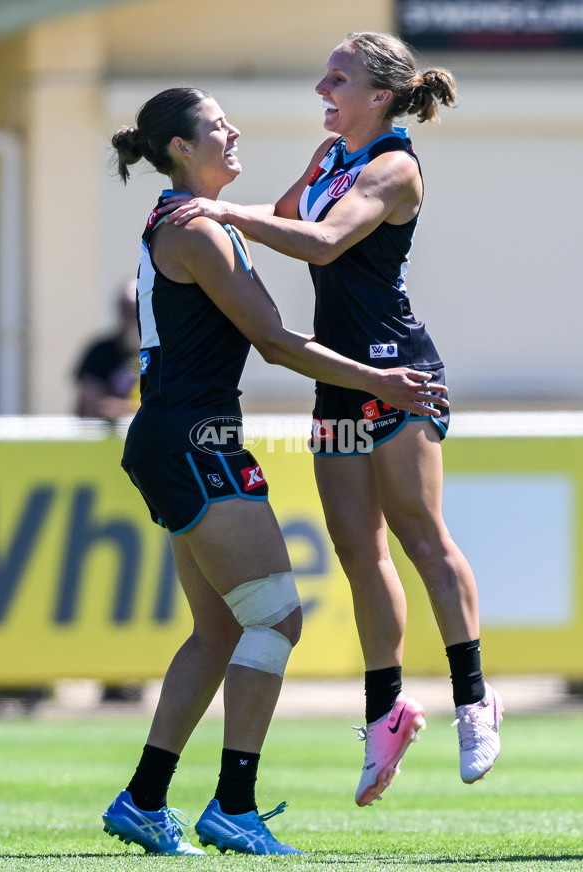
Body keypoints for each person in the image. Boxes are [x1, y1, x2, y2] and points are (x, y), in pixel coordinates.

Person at [158, 31, 503, 808]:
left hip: (398, 371)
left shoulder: (394, 165)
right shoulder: (330, 157)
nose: (323, 89)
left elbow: (317, 243)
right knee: (357, 549)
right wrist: (227, 214)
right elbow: (283, 213)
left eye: (336, 79)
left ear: (379, 96)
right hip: (342, 379)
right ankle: (387, 713)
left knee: (421, 535)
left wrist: (219, 210)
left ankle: (475, 700)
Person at [102, 86, 448, 856]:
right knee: (276, 618)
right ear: (183, 149)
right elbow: (277, 342)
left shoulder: (189, 220)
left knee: (220, 626)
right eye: (217, 126)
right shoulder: (201, 230)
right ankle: (233, 804)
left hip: (177, 437)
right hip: (197, 441)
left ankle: (144, 799)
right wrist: (382, 381)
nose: (234, 133)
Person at [73, 279, 140, 424]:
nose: (130, 316)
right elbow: (89, 404)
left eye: (135, 309)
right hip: (105, 435)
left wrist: (127, 409)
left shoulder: (164, 352)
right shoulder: (100, 351)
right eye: (124, 308)